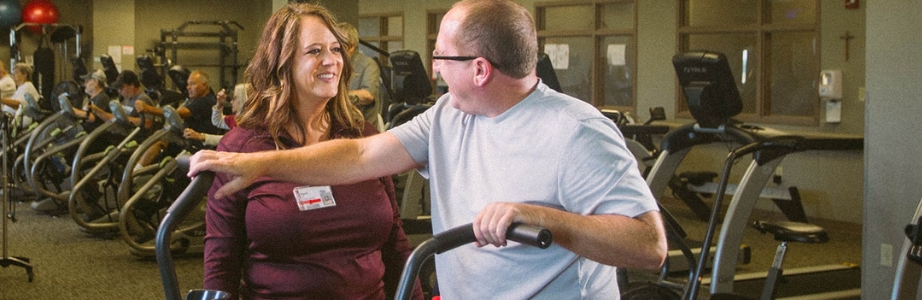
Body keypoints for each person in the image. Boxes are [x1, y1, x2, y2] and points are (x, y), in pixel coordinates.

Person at [189, 0, 667, 298]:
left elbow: (650, 247)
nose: (433, 67)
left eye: (441, 55)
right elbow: (356, 157)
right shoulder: (447, 117)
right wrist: (258, 164)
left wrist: (546, 218)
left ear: (480, 70)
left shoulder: (576, 130)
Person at [199, 4, 421, 299]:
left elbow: (396, 244)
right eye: (315, 51)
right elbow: (221, 259)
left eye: (335, 49)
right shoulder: (244, 148)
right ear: (282, 63)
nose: (331, 61)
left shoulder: (364, 139)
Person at [337, 22, 385, 131]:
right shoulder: (335, 64)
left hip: (363, 129)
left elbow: (368, 96)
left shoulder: (368, 64)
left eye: (340, 46)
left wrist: (339, 96)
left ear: (351, 46)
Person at [184, 83, 248, 146]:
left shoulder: (249, 124)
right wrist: (219, 105)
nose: (231, 102)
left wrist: (201, 136)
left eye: (234, 98)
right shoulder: (235, 119)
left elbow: (231, 140)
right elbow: (217, 121)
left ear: (243, 100)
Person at [90, 69, 157, 129]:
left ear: (131, 86)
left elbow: (148, 123)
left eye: (121, 88)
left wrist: (124, 119)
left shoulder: (142, 99)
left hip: (135, 137)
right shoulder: (126, 99)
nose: (119, 91)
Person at [0, 63, 41, 127]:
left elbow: (18, 105)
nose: (13, 75)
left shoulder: (27, 86)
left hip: (22, 119)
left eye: (16, 72)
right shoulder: (21, 87)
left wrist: (0, 99)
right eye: (13, 72)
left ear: (25, 74)